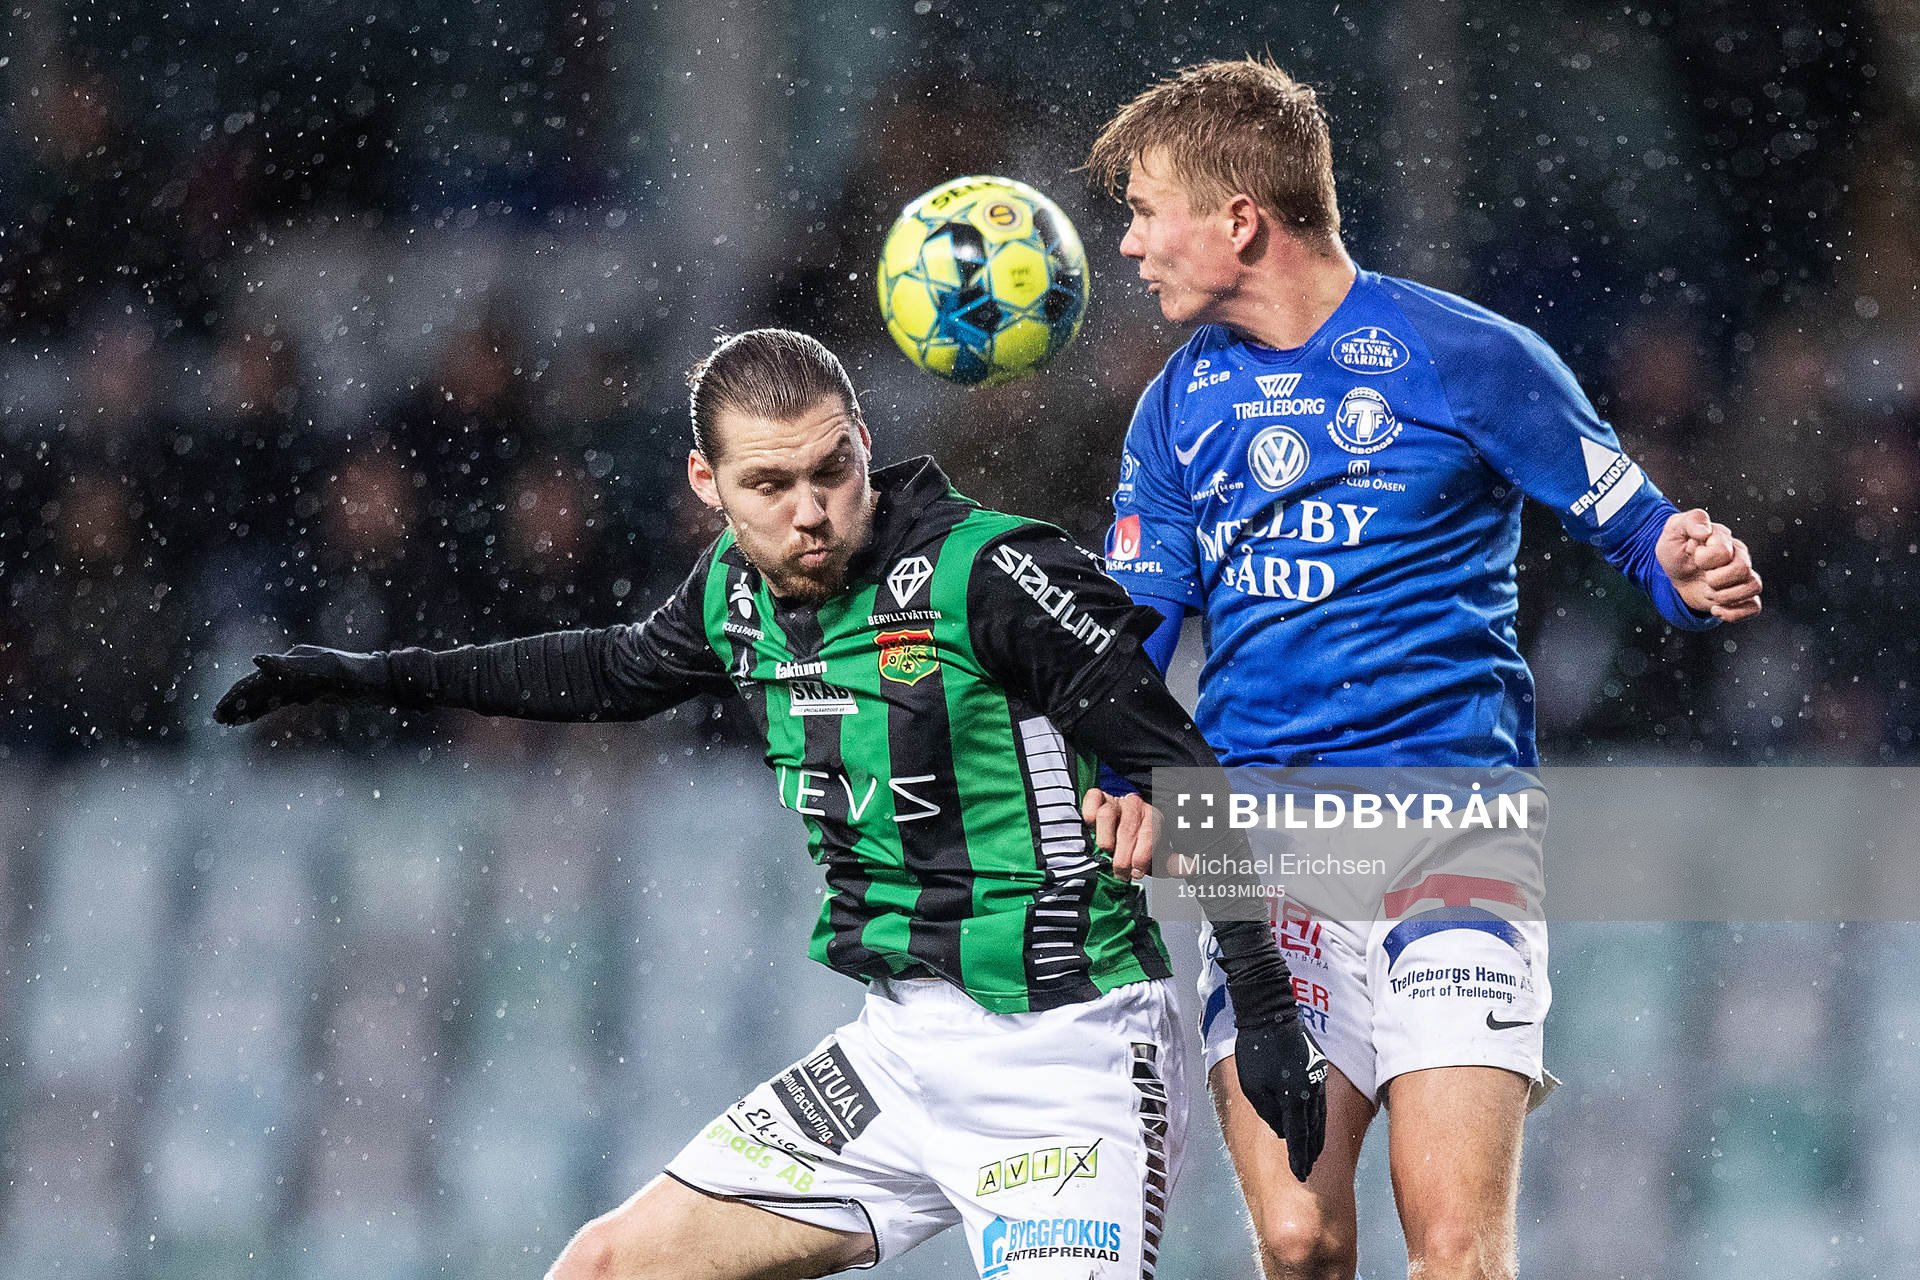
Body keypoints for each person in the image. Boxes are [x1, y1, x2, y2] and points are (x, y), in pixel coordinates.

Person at [214, 327, 1327, 1280]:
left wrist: (1265, 1002)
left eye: (830, 471)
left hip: (1067, 1055)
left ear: (864, 446)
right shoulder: (730, 593)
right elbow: (601, 670)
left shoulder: (993, 575)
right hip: (894, 1056)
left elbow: (1185, 767)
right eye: (769, 485)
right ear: (708, 485)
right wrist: (370, 673)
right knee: (604, 1264)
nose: (809, 512)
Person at [1081, 59, 1763, 1280]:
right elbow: (1131, 630)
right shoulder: (1173, 411)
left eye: (1143, 207)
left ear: (1240, 219)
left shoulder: (1471, 357)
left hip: (1457, 835)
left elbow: (1635, 527)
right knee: (1300, 1241)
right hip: (1268, 845)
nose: (1129, 244)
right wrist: (1118, 766)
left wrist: (1687, 563)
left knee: (1455, 1249)